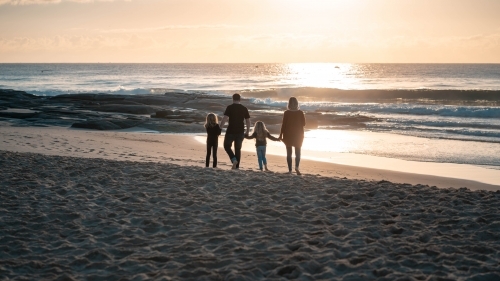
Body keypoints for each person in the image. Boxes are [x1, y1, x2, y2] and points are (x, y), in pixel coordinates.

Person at [219, 93, 251, 169]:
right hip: (240, 132)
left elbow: (225, 119)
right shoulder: (244, 108)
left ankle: (233, 159)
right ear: (240, 99)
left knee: (226, 146)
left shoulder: (230, 107)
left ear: (232, 99)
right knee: (238, 149)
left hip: (230, 131)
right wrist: (247, 131)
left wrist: (220, 128)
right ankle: (237, 167)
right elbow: (248, 121)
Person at [279, 97, 306, 175]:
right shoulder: (300, 112)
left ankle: (290, 170)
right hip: (298, 134)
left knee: (289, 153)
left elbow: (283, 125)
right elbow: (304, 124)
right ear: (297, 103)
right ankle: (297, 167)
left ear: (289, 104)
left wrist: (280, 135)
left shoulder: (286, 113)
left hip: (288, 134)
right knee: (298, 152)